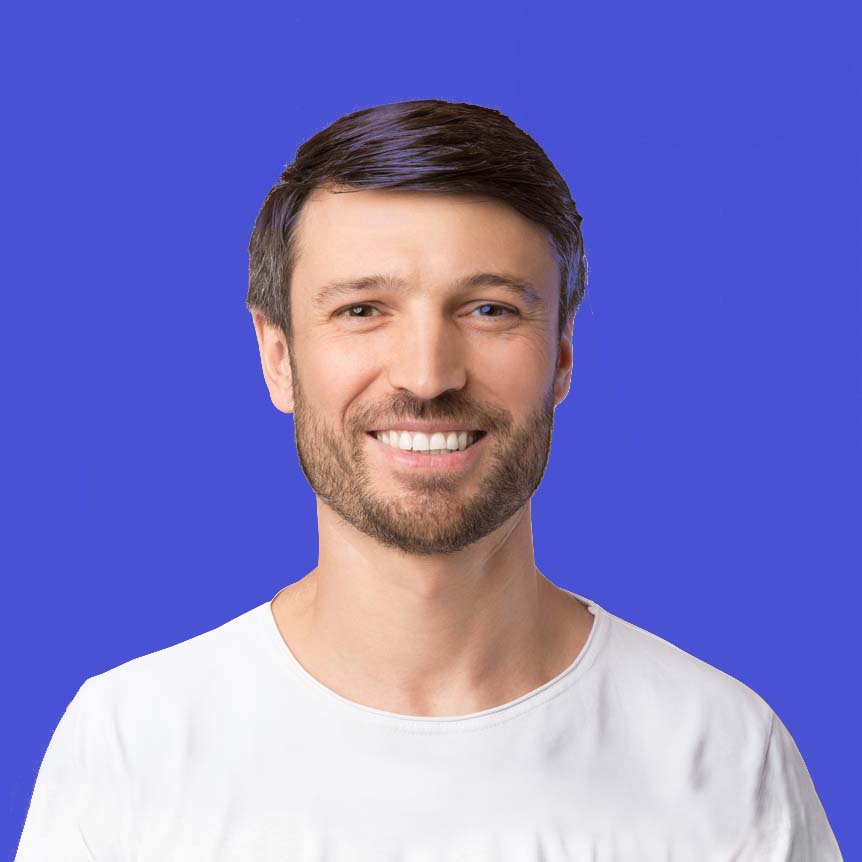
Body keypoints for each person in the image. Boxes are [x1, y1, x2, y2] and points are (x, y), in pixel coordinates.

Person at [15, 98, 842, 861]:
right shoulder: (131, 748)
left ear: (561, 356)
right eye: (362, 310)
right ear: (278, 357)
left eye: (489, 310)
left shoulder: (726, 756)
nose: (427, 374)